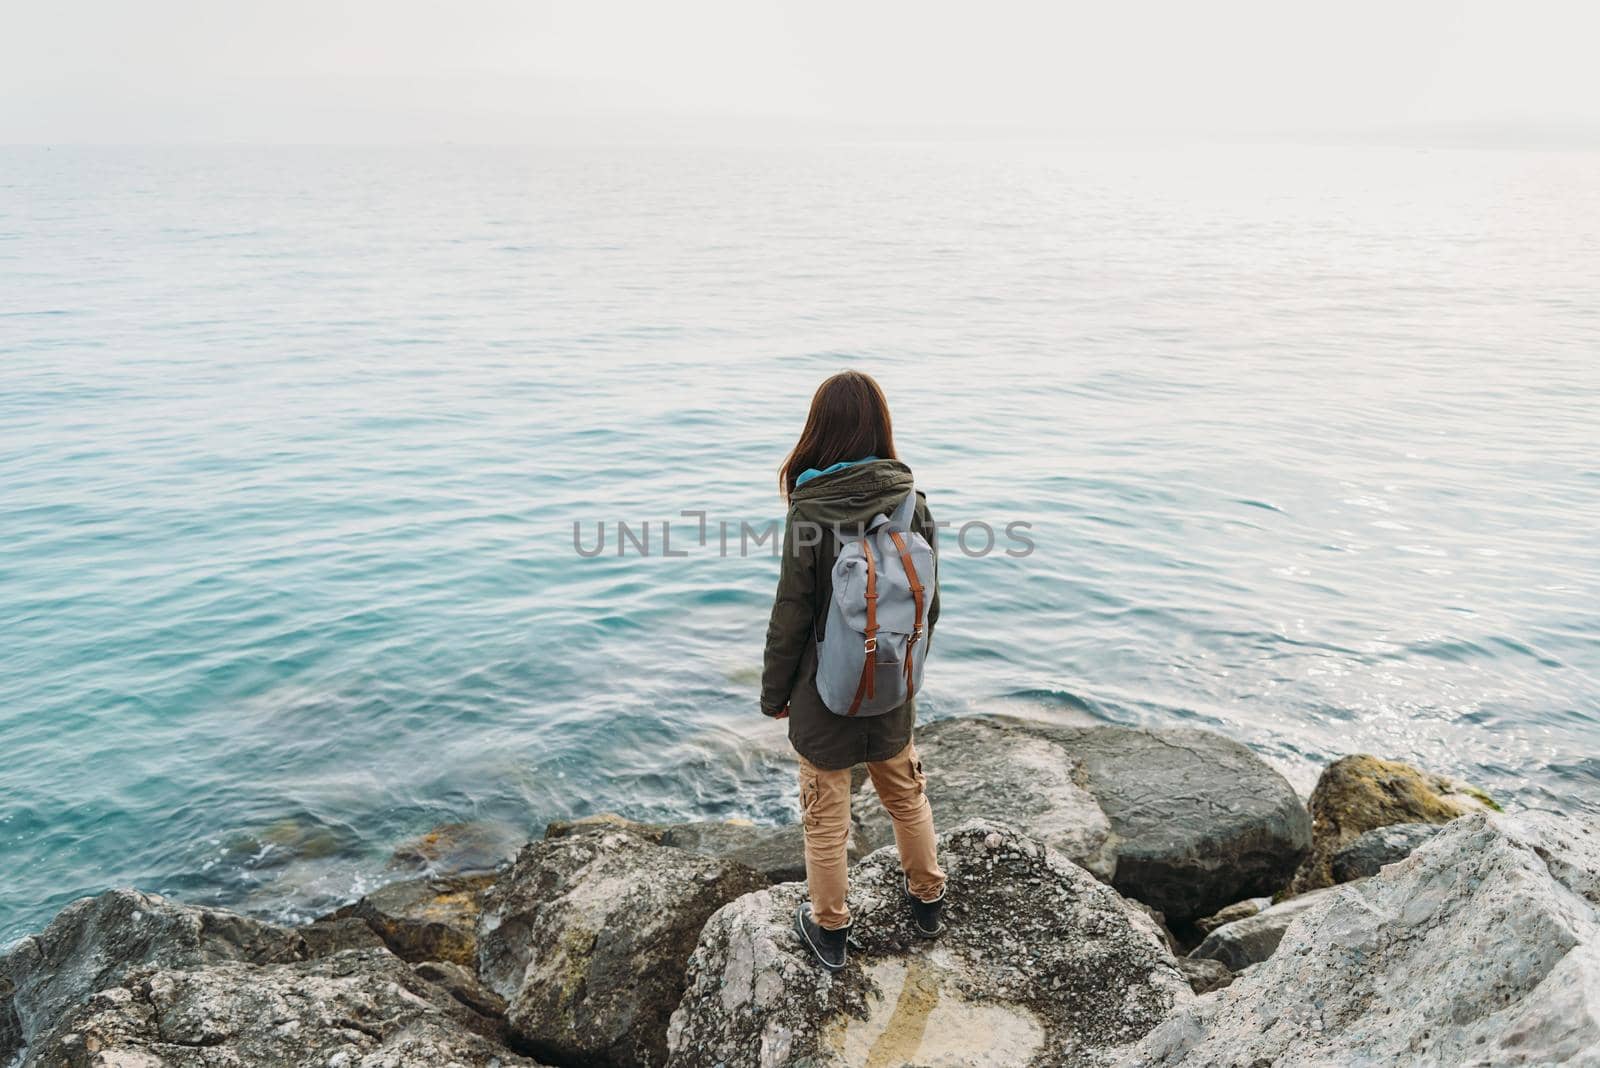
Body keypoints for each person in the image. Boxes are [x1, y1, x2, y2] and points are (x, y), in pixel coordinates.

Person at [761, 370, 946, 971]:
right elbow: (931, 604)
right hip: (892, 682)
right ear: (879, 427)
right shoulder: (910, 501)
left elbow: (792, 613)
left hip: (826, 691)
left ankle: (831, 932)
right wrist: (903, 671)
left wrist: (775, 694)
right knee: (906, 795)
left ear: (821, 432)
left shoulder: (810, 510)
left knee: (825, 813)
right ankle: (928, 901)